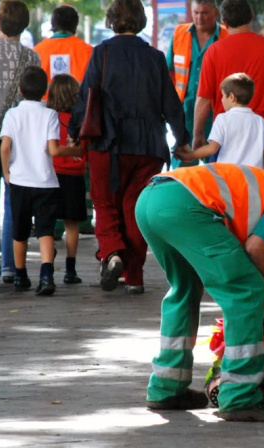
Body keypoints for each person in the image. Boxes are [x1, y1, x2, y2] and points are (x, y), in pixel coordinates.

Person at [136, 163, 264, 421]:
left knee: (185, 288)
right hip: (184, 206)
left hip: (151, 200)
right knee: (247, 291)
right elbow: (257, 249)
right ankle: (240, 397)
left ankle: (167, 388)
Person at [68, 0, 189, 295]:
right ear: (141, 20)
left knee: (104, 202)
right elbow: (171, 103)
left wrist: (73, 131)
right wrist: (182, 138)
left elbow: (86, 97)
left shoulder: (102, 53)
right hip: (148, 145)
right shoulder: (155, 57)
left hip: (107, 143)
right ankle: (134, 277)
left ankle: (112, 254)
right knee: (136, 209)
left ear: (112, 20)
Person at [193, 0, 264, 175]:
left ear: (224, 22)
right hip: (263, 132)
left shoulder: (213, 52)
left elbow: (204, 99)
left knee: (224, 186)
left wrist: (198, 133)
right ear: (251, 17)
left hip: (225, 132)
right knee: (262, 186)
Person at [0, 66, 83, 296]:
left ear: (20, 89)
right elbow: (54, 150)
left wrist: (6, 172)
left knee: (20, 231)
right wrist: (77, 151)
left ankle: (20, 275)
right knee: (45, 230)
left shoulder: (12, 114)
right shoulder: (49, 115)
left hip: (19, 181)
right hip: (45, 181)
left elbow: (5, 146)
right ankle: (47, 276)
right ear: (44, 90)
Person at [0, 0, 41, 284]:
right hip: (18, 135)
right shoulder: (32, 57)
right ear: (25, 25)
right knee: (15, 200)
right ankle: (11, 265)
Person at [33, 4, 94, 238]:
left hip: (45, 117)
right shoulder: (87, 51)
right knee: (80, 169)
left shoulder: (38, 51)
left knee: (49, 167)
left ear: (52, 24)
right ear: (75, 26)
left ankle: (53, 224)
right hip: (78, 117)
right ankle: (82, 219)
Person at [165, 0, 227, 168]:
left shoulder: (226, 36)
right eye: (196, 13)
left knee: (216, 165)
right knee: (182, 165)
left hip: (216, 112)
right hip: (185, 110)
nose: (199, 18)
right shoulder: (179, 34)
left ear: (215, 13)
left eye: (205, 13)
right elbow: (168, 72)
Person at [174, 72, 264, 170]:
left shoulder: (223, 119)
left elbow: (212, 148)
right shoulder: (261, 122)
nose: (221, 100)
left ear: (232, 97)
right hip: (254, 175)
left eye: (223, 95)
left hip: (227, 175)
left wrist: (191, 155)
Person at [47, 74, 86, 284]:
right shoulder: (79, 121)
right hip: (74, 176)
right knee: (72, 225)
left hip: (50, 175)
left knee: (48, 221)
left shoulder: (48, 118)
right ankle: (70, 269)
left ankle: (48, 260)